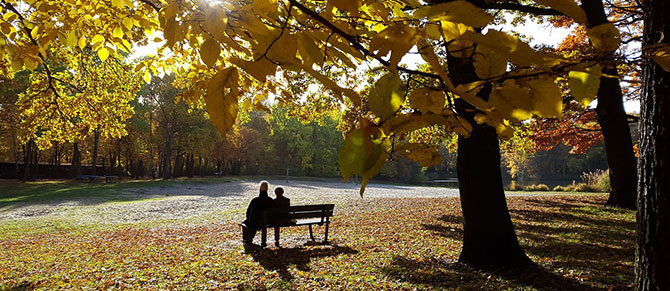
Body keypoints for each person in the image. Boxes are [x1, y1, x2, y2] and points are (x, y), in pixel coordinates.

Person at [242, 181, 274, 245]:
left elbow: (248, 212)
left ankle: (247, 239)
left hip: (256, 222)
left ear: (260, 189)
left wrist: (248, 219)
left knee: (246, 223)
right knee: (254, 221)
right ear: (267, 189)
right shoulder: (271, 200)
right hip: (269, 221)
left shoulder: (255, 201)